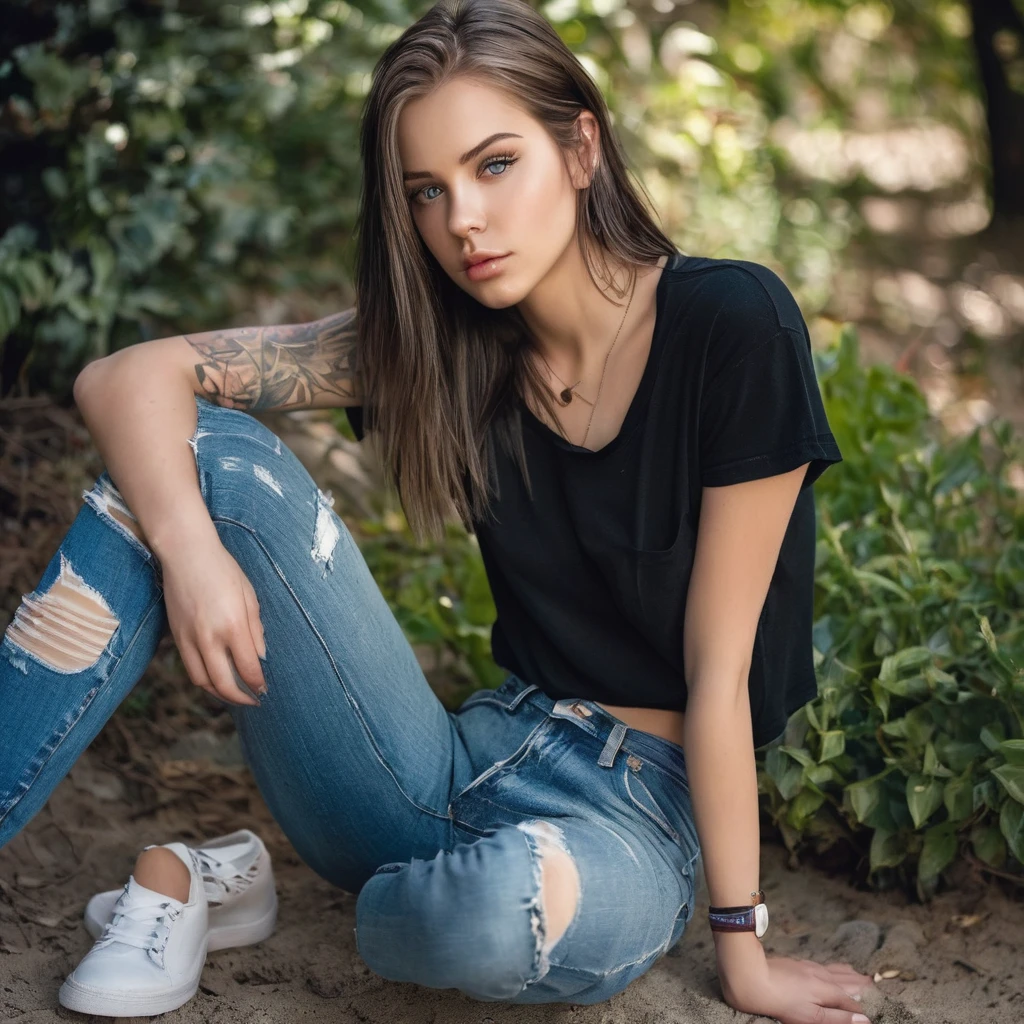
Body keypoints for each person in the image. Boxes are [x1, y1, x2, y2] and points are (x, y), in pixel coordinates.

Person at [0, 0, 876, 1017]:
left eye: (494, 164)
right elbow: (124, 377)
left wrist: (742, 952)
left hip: (631, 817)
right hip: (444, 764)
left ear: (580, 147)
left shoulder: (732, 326)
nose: (461, 218)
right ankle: (288, 880)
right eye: (427, 190)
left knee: (488, 917)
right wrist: (190, 548)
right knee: (189, 468)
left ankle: (289, 889)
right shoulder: (438, 344)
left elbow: (719, 676)